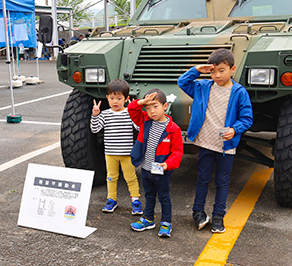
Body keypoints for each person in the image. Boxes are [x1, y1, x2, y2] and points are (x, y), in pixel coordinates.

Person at [177, 48, 253, 234]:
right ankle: (198, 213)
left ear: (232, 69)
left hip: (226, 146)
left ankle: (218, 216)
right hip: (205, 143)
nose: (217, 75)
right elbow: (182, 82)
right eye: (213, 71)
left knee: (222, 181)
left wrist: (235, 129)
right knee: (202, 179)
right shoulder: (202, 87)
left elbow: (247, 118)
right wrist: (197, 70)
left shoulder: (239, 92)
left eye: (222, 70)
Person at [128, 88, 183, 238]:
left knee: (164, 196)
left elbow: (177, 152)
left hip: (162, 170)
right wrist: (142, 102)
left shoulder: (173, 129)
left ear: (165, 106)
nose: (152, 111)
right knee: (149, 195)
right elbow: (131, 109)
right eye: (148, 107)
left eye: (155, 106)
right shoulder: (145, 121)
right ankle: (148, 219)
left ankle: (166, 222)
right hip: (146, 169)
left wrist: (167, 164)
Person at [90, 79, 142, 215]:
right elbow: (95, 129)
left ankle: (135, 200)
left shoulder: (129, 113)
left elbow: (138, 127)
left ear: (126, 99)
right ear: (107, 98)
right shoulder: (105, 114)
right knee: (111, 177)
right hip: (110, 154)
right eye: (112, 98)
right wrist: (95, 115)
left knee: (131, 177)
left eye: (119, 98)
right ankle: (111, 199)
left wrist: (135, 111)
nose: (115, 101)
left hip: (127, 154)